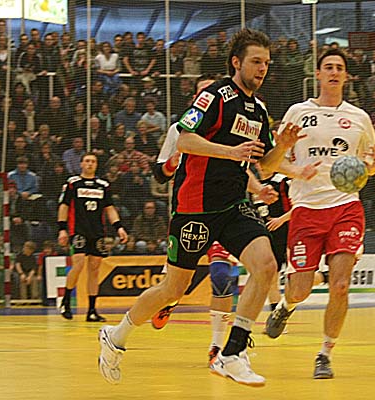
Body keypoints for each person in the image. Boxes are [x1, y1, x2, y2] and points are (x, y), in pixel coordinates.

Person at [97, 29, 304, 387]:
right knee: (172, 290)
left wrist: (283, 147)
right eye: (256, 61)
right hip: (195, 208)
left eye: (267, 63)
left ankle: (232, 353)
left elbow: (266, 166)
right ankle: (116, 336)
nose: (262, 69)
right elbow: (185, 139)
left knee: (266, 264)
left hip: (234, 205)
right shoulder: (215, 96)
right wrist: (230, 152)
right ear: (236, 62)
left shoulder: (259, 109)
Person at [264, 48, 375, 379]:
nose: (333, 72)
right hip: (306, 208)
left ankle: (325, 354)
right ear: (317, 74)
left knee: (340, 285)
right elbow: (271, 164)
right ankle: (286, 306)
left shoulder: (359, 117)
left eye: (339, 67)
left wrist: (373, 166)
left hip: (346, 206)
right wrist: (290, 162)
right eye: (328, 67)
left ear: (346, 76)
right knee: (300, 289)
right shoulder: (298, 112)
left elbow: (371, 164)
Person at [57, 152, 128, 322]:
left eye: (93, 161)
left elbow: (110, 208)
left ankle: (91, 310)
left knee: (94, 270)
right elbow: (64, 206)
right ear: (81, 164)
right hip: (78, 231)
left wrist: (119, 227)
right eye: (87, 161)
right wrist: (62, 229)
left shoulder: (103, 185)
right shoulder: (73, 183)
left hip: (97, 232)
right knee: (79, 264)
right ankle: (66, 301)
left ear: (96, 165)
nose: (90, 164)